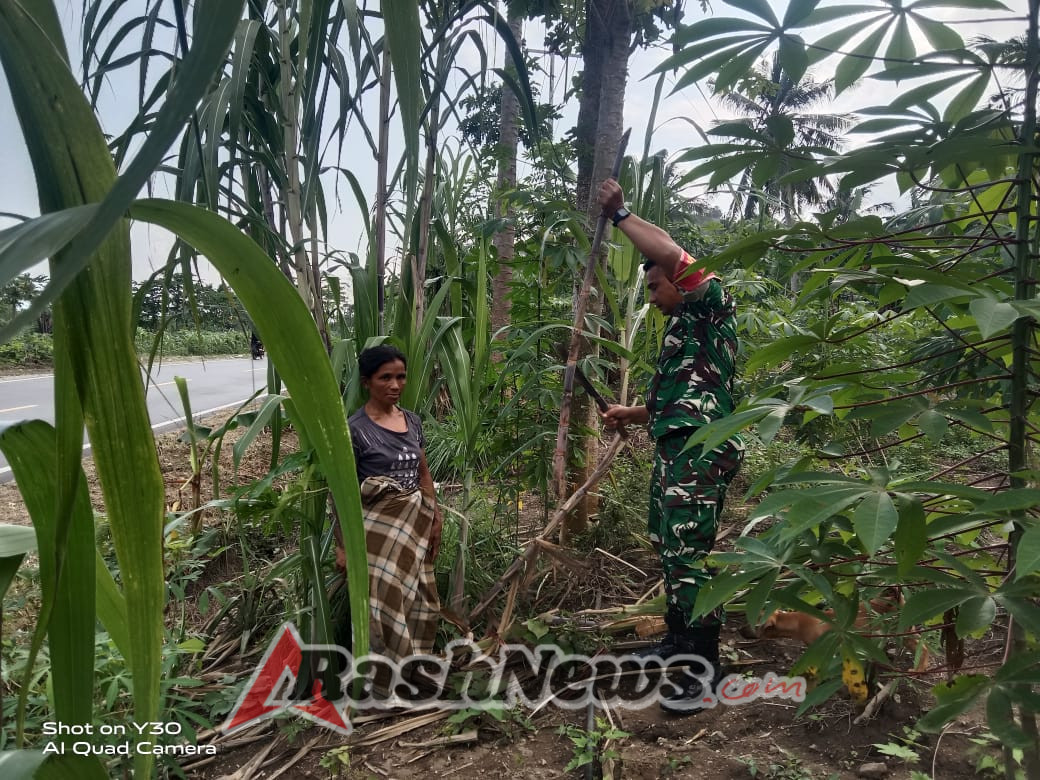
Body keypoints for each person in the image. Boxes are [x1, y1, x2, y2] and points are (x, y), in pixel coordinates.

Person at [597, 177, 743, 715]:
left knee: (690, 554)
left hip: (701, 451)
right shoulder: (683, 329)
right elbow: (679, 400)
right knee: (670, 543)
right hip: (677, 446)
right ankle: (680, 643)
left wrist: (619, 216)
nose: (655, 299)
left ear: (683, 283)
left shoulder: (710, 308)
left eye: (657, 287)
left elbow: (673, 253)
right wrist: (631, 414)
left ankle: (705, 670)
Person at [333, 345, 443, 662]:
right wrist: (342, 546)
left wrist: (434, 518)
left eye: (401, 377)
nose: (395, 385)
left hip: (414, 528)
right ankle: (379, 677)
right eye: (385, 378)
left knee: (418, 596)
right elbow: (341, 492)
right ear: (367, 382)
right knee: (380, 605)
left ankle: (413, 664)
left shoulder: (413, 422)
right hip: (375, 535)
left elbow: (423, 472)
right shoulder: (355, 430)